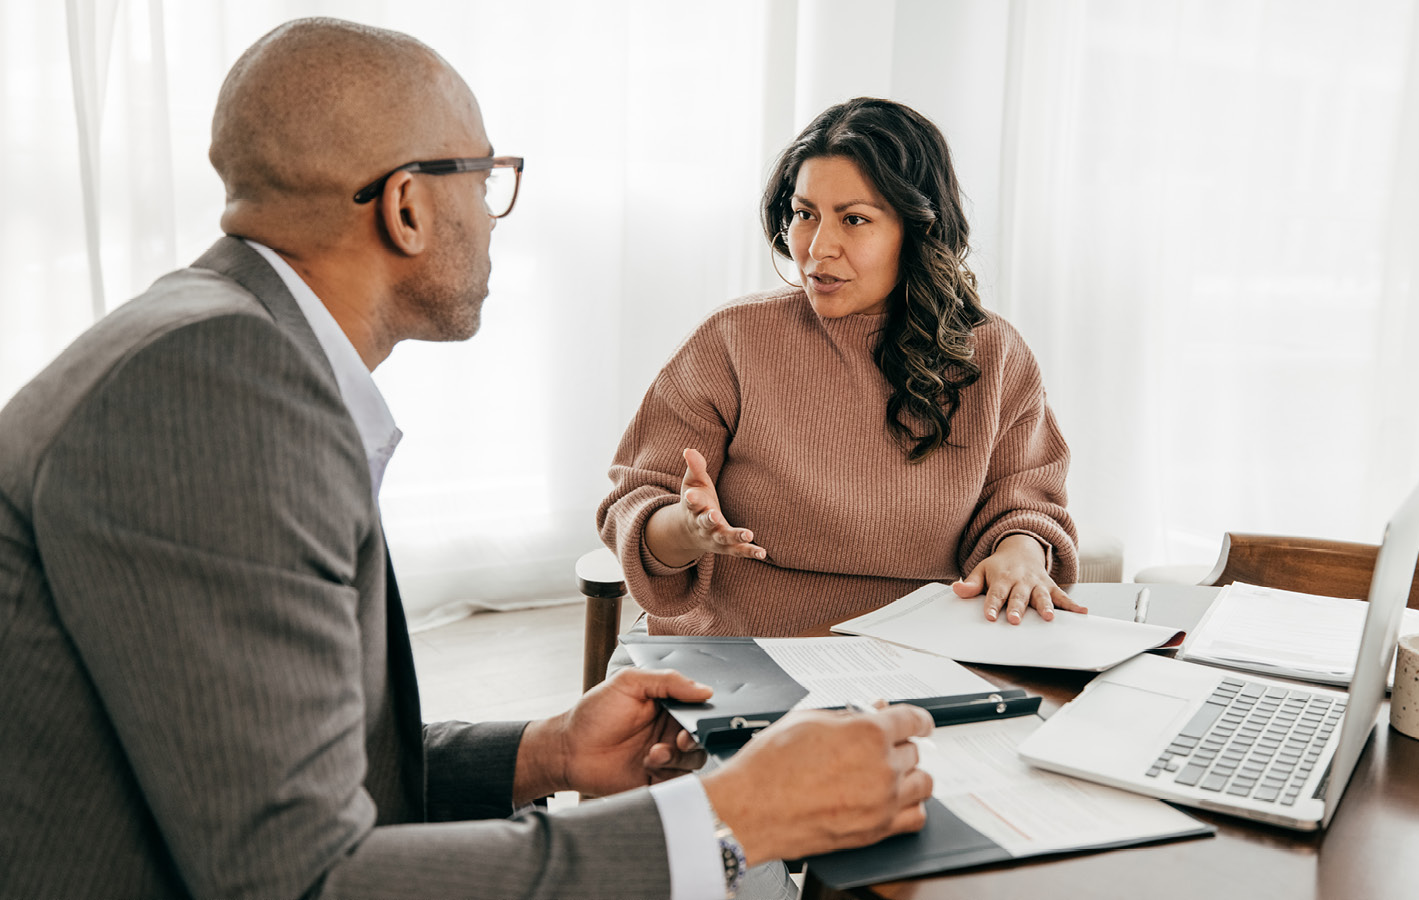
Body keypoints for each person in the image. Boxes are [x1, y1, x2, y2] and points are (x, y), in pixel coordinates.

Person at [0, 19, 932, 900]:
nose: (495, 219)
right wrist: (731, 819)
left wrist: (548, 750)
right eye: (486, 181)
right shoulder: (217, 391)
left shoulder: (224, 346)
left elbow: (278, 769)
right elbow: (301, 878)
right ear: (406, 206)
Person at [600, 98, 1081, 638]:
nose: (818, 248)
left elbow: (1024, 499)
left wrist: (1019, 550)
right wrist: (687, 531)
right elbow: (637, 502)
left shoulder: (993, 356)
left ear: (918, 229)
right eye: (805, 214)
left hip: (924, 652)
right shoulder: (733, 340)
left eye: (854, 220)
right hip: (743, 646)